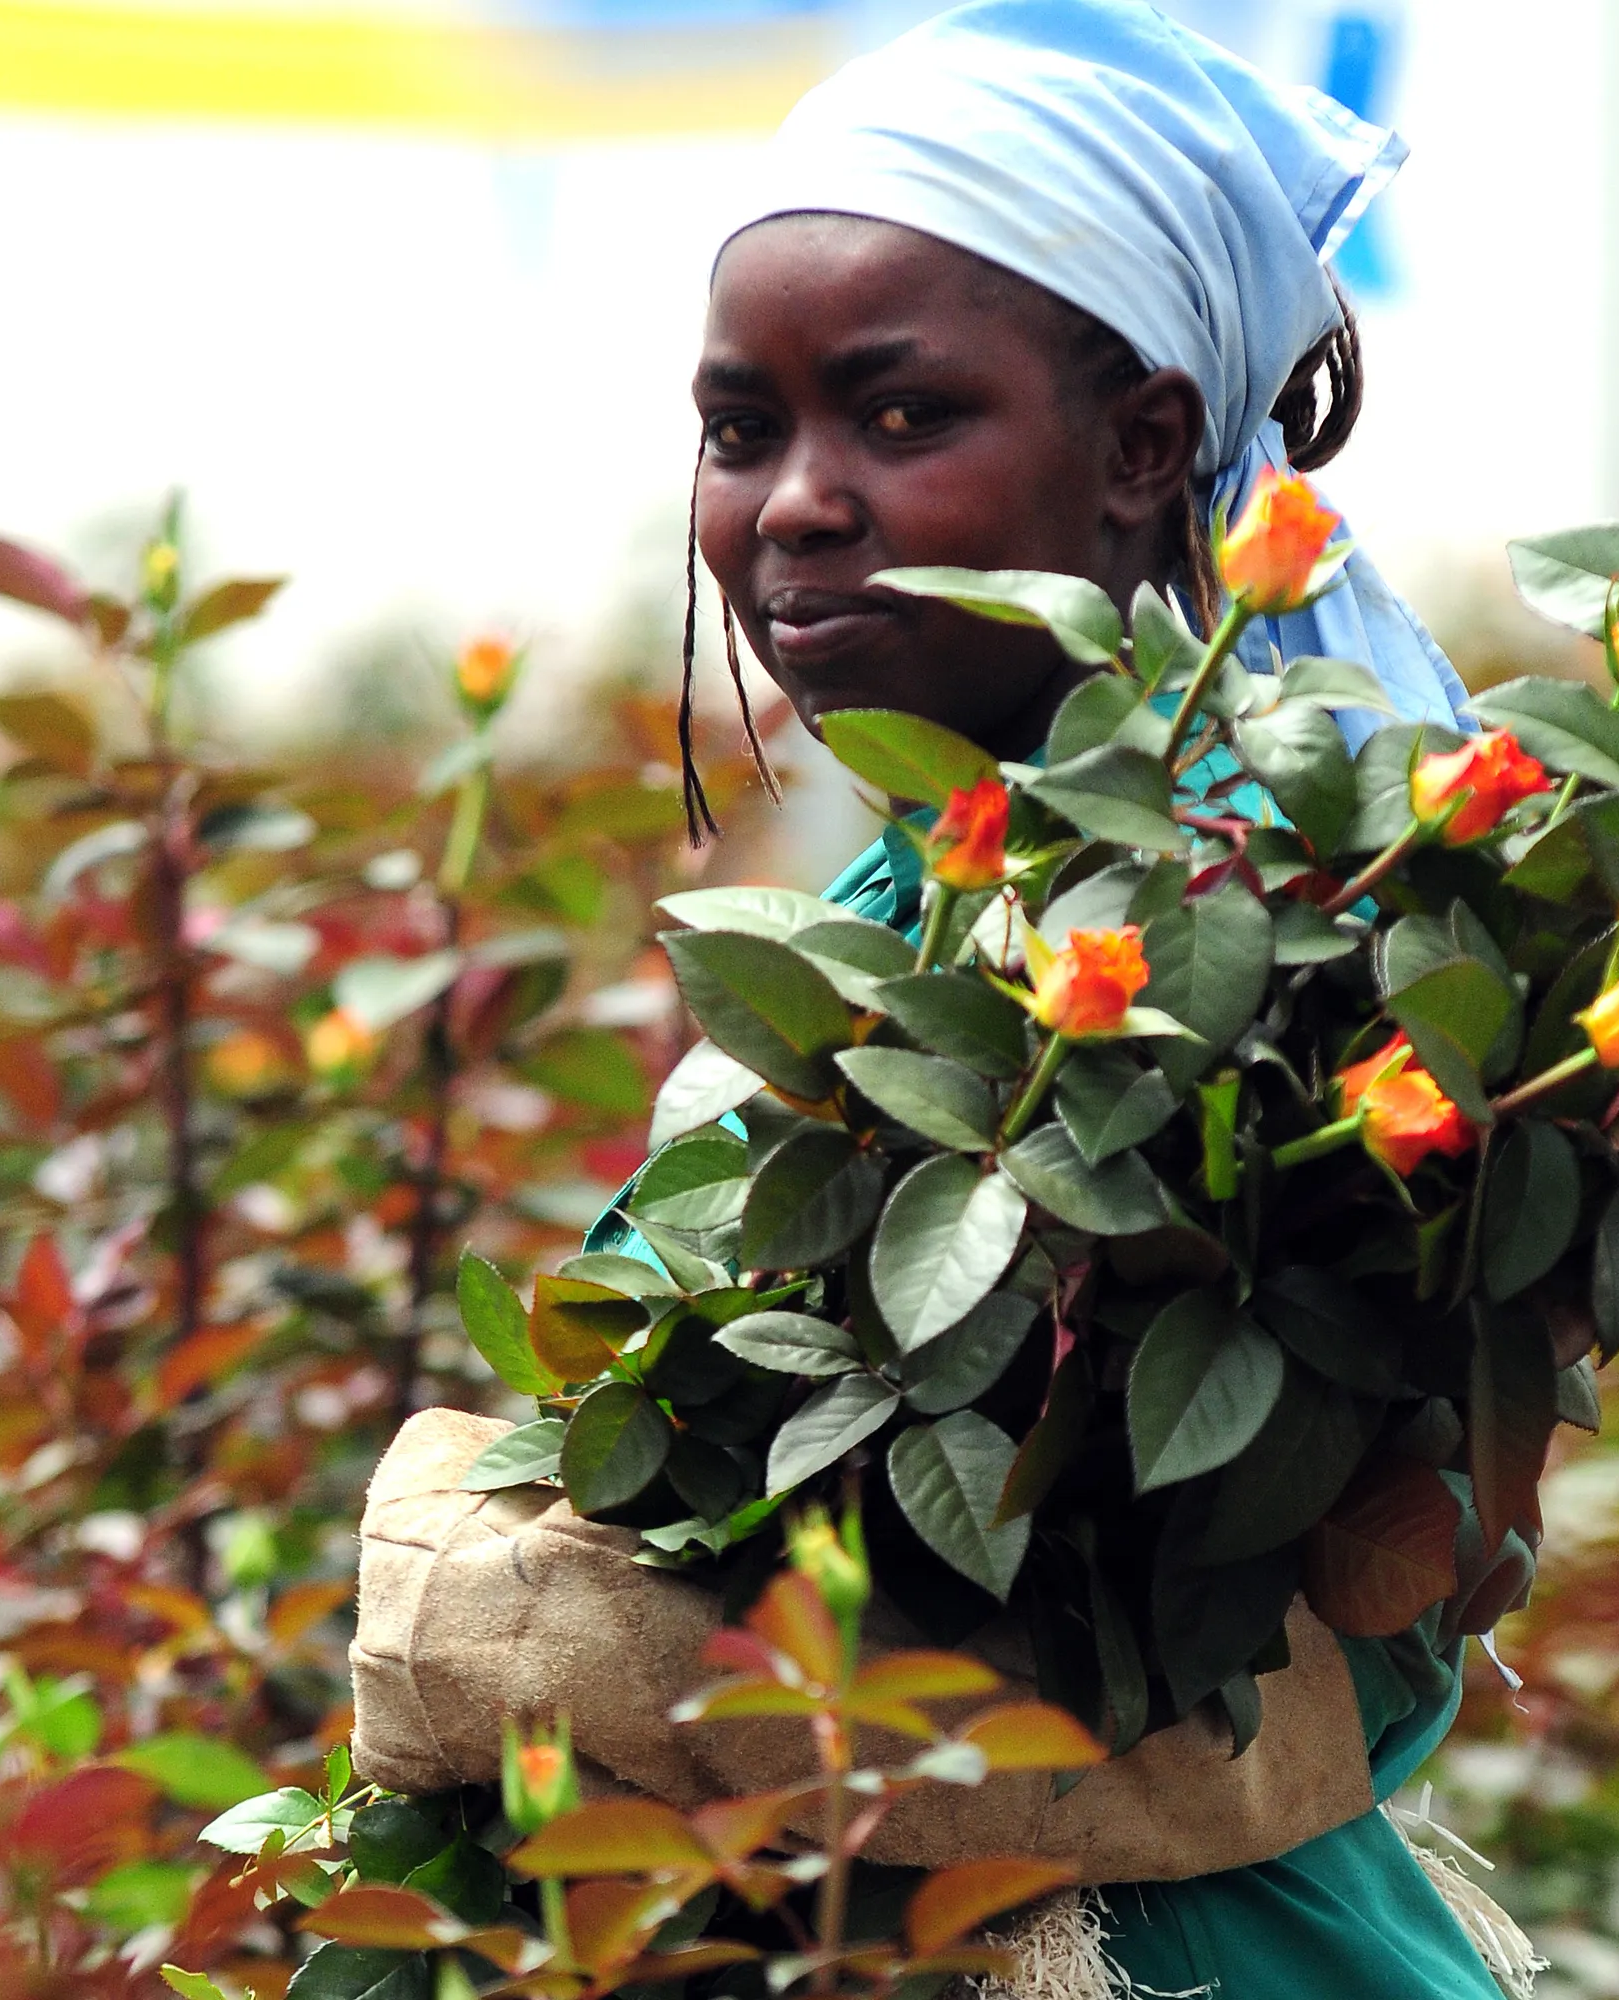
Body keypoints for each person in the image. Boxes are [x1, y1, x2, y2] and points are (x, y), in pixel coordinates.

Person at [356, 4, 1532, 1995]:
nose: (794, 501)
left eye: (898, 418)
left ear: (1143, 450)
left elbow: (1308, 1576)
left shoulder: (1266, 936)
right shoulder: (935, 885)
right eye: (745, 431)